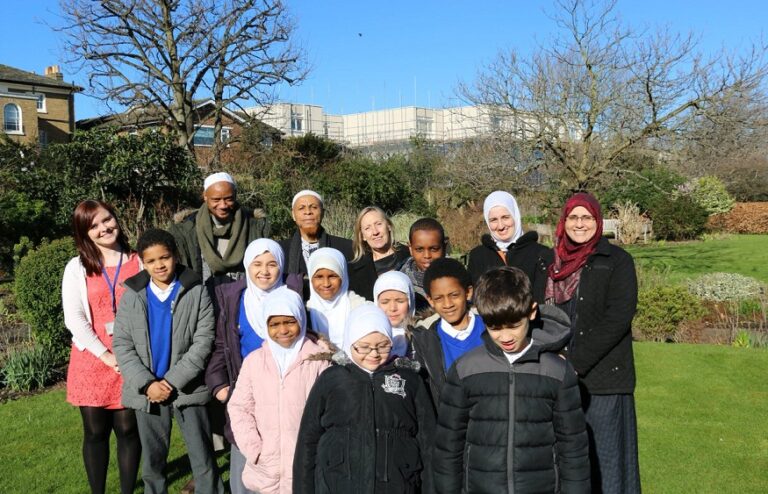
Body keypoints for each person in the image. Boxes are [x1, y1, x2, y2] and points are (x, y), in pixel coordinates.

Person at [433, 267, 590, 493]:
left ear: (532, 311)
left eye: (514, 326)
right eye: (495, 328)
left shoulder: (558, 371)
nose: (505, 337)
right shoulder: (465, 369)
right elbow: (449, 446)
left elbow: (573, 448)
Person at [113, 229, 223, 494]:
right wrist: (147, 383)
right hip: (148, 392)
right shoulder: (132, 295)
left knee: (202, 456)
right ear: (142, 262)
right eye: (151, 261)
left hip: (188, 388)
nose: (159, 265)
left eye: (165, 257)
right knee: (153, 461)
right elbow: (123, 345)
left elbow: (203, 341)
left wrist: (172, 380)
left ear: (176, 256)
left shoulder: (196, 291)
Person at [545, 192, 640, 493]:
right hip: (557, 377)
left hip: (602, 379)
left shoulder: (616, 260)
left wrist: (574, 362)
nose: (580, 223)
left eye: (587, 217)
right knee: (568, 464)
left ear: (597, 221)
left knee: (608, 464)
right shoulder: (552, 263)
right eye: (574, 217)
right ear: (564, 221)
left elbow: (618, 318)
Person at [293, 305, 436, 494]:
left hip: (397, 485)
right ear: (350, 341)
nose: (374, 354)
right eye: (364, 347)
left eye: (383, 345)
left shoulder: (409, 380)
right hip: (338, 484)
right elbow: (308, 442)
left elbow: (428, 443)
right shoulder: (332, 379)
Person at [205, 238, 300, 494]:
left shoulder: (293, 297)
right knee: (244, 473)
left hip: (285, 397)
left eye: (272, 264)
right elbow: (221, 346)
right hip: (245, 396)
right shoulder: (235, 300)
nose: (264, 271)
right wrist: (220, 386)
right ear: (247, 266)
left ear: (281, 266)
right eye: (257, 264)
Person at [62, 200, 141, 494]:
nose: (103, 228)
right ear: (84, 233)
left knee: (128, 430)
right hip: (92, 360)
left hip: (132, 361)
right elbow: (75, 318)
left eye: (107, 220)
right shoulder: (78, 267)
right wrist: (107, 356)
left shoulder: (139, 260)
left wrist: (129, 357)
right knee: (95, 433)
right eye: (93, 225)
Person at [228, 287, 331, 494]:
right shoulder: (254, 362)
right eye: (274, 324)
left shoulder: (319, 360)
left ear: (301, 319)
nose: (282, 330)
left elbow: (331, 412)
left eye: (289, 322)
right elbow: (239, 407)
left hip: (306, 463)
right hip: (267, 466)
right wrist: (254, 448)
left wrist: (319, 450)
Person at [169, 172, 270, 291]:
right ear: (205, 197)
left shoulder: (255, 227)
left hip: (244, 298)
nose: (223, 205)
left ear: (235, 196)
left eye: (228, 199)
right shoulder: (186, 230)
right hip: (204, 300)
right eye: (216, 199)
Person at [409, 257, 485, 408]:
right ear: (430, 300)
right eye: (439, 298)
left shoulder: (491, 327)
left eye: (454, 295)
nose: (448, 304)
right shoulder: (425, 339)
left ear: (468, 292)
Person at [466, 190, 552, 301]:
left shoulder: (540, 254)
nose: (500, 226)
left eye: (505, 217)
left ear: (515, 215)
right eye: (493, 220)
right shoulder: (477, 256)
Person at [280, 190, 353, 299]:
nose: (308, 212)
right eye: (301, 208)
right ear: (293, 215)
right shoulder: (280, 251)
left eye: (314, 207)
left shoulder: (347, 248)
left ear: (322, 212)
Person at [306, 247, 367, 349]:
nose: (326, 284)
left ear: (343, 276)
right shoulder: (304, 312)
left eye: (332, 276)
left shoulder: (360, 307)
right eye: (319, 277)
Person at [348, 206, 409, 301]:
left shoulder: (409, 255)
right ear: (362, 236)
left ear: (389, 226)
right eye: (367, 228)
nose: (375, 232)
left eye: (379, 224)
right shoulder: (356, 271)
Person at [399, 217, 447, 313]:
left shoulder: (459, 278)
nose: (427, 256)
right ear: (410, 249)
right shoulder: (400, 285)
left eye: (434, 249)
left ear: (444, 247)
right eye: (419, 249)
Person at [373, 270, 415, 357]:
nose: (392, 308)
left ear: (410, 301)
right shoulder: (365, 335)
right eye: (385, 302)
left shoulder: (423, 335)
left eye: (400, 301)